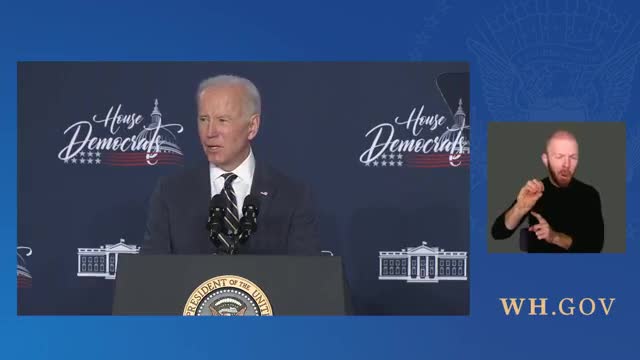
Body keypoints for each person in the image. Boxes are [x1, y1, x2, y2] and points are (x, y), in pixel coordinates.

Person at [142, 75, 319, 255]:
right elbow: (151, 275)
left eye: (222, 120)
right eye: (204, 119)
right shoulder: (171, 192)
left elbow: (307, 276)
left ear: (252, 126)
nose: (210, 132)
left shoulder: (292, 196)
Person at [491, 130, 604, 253]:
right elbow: (498, 233)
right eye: (559, 156)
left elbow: (595, 246)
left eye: (573, 157)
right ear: (546, 159)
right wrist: (519, 208)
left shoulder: (589, 194)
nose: (566, 164)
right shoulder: (535, 191)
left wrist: (555, 237)